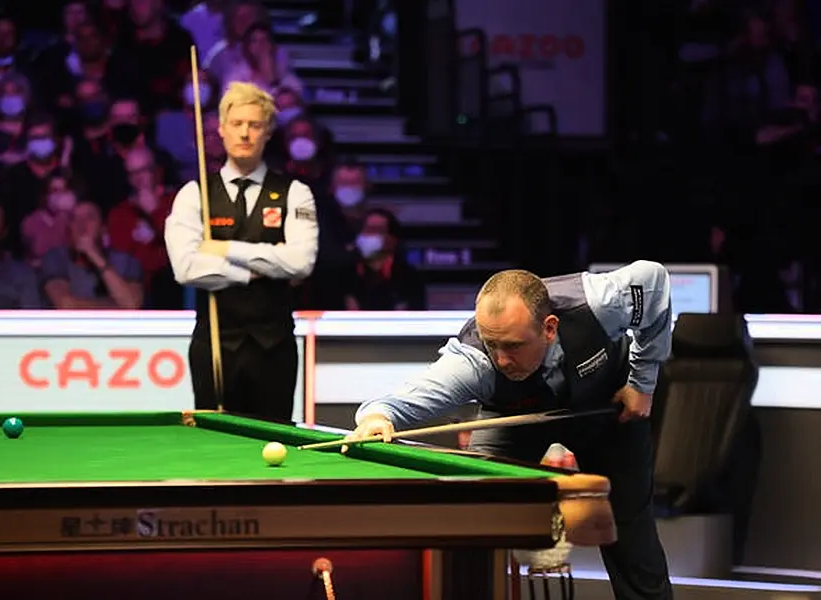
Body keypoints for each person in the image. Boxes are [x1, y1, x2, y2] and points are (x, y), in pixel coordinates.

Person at [349, 260, 674, 600]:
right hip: (517, 416)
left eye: (514, 346)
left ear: (549, 328)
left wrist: (642, 381)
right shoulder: (474, 362)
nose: (502, 360)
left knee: (632, 531)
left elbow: (653, 279)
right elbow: (401, 401)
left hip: (609, 408)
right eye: (493, 344)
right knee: (476, 514)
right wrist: (377, 417)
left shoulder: (596, 302)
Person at [165, 81, 318, 423]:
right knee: (213, 449)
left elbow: (301, 262)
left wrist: (223, 248)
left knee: (275, 437)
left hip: (274, 346)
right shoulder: (195, 194)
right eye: (237, 124)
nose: (245, 133)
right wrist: (252, 270)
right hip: (214, 345)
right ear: (221, 130)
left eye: (255, 125)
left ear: (268, 132)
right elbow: (186, 268)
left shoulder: (295, 192)